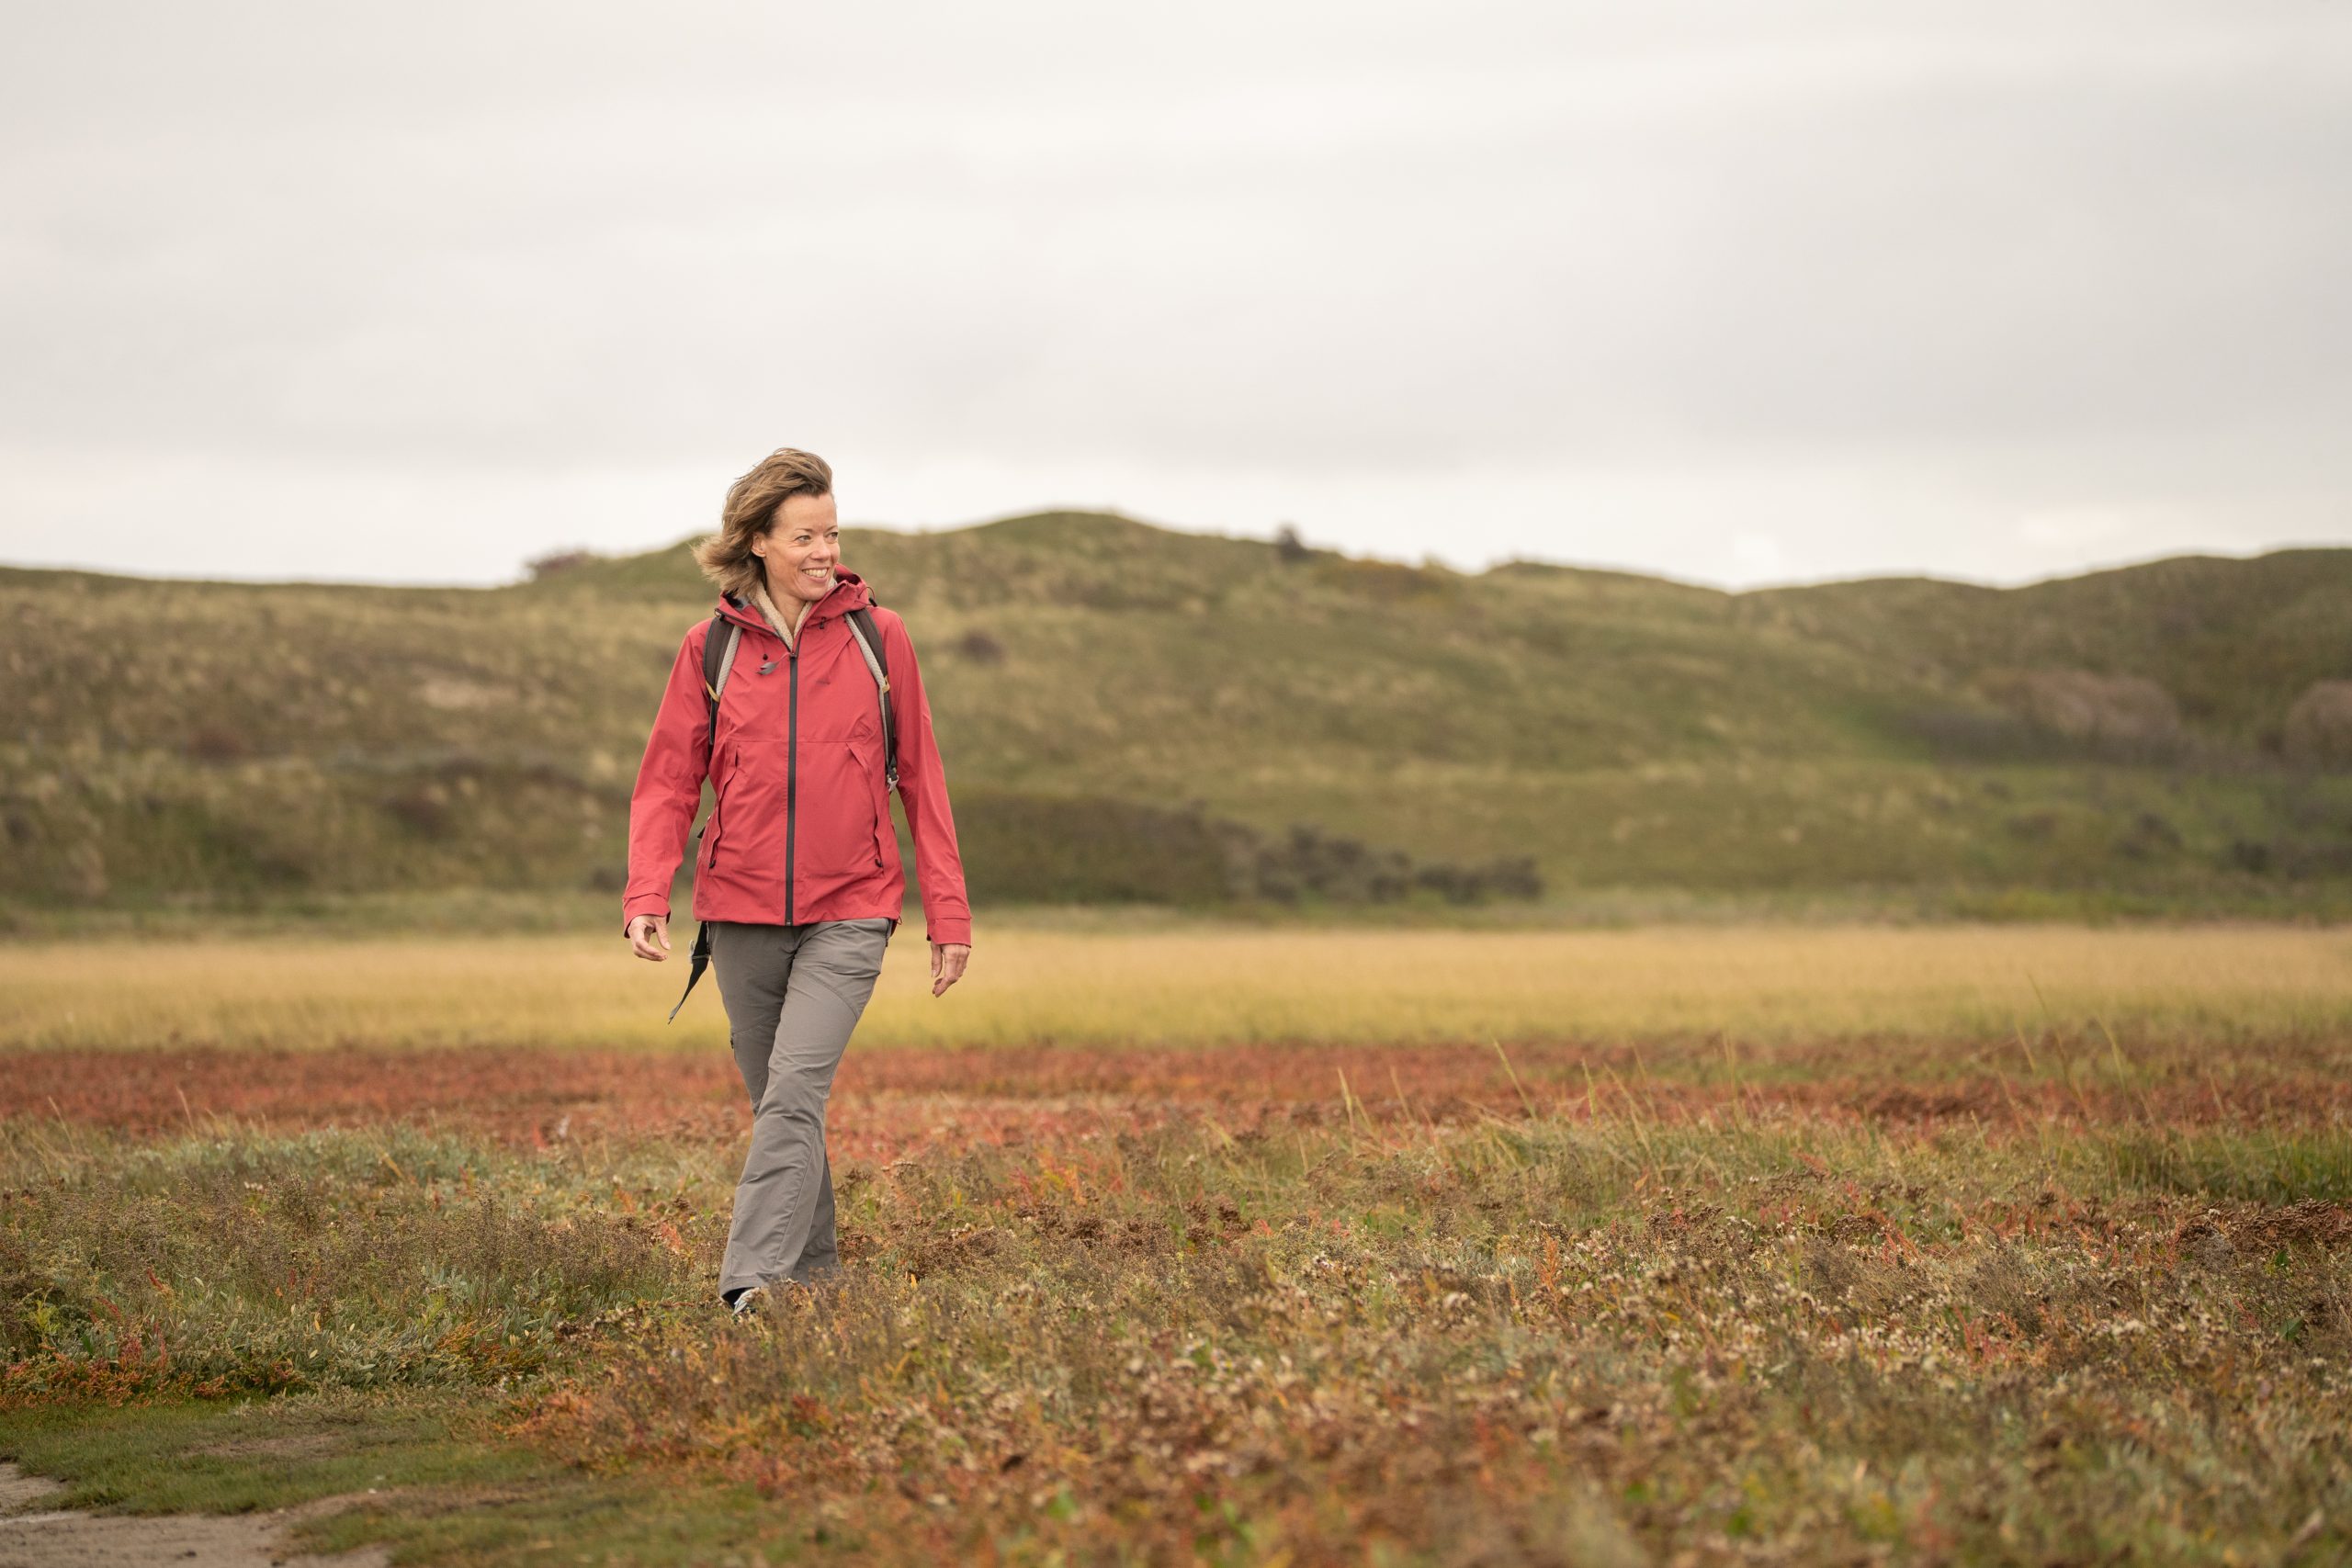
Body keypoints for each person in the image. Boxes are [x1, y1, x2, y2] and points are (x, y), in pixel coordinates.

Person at [620, 446, 972, 1315]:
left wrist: (949, 914)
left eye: (832, 532)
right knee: (782, 1104)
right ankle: (816, 1284)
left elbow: (922, 776)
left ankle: (748, 1284)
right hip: (737, 913)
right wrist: (644, 891)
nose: (826, 550)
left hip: (851, 907)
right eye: (806, 535)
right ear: (760, 543)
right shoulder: (708, 649)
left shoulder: (878, 637)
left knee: (794, 1090)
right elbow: (668, 780)